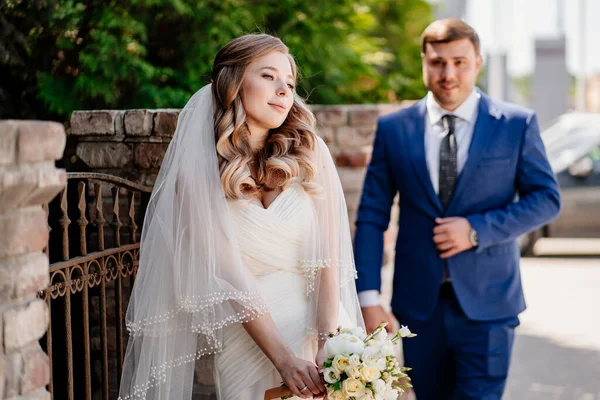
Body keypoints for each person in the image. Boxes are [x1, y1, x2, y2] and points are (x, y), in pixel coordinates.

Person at [118, 34, 363, 400]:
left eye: (290, 83)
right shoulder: (196, 175)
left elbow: (328, 260)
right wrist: (283, 359)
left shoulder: (311, 153)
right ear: (232, 83)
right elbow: (229, 275)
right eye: (268, 76)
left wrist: (330, 342)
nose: (284, 90)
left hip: (321, 323)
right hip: (250, 340)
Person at [354, 19, 561, 400]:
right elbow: (371, 215)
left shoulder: (516, 124)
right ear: (423, 62)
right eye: (437, 62)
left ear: (478, 62)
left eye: (459, 62)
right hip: (418, 310)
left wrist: (477, 229)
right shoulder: (395, 129)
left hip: (490, 306)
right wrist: (367, 298)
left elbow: (547, 199)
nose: (448, 73)